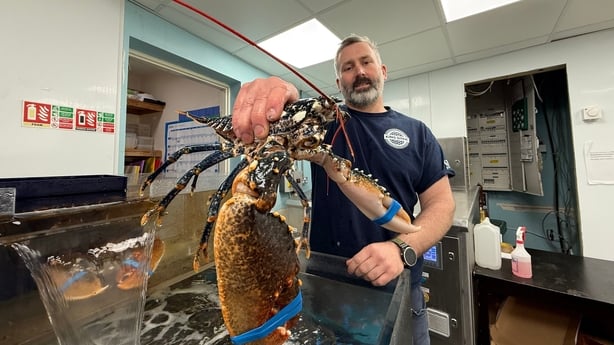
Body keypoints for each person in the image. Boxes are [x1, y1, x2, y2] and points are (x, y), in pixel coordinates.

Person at [231, 35, 456, 345]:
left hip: (399, 286)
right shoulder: (320, 125)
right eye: (348, 67)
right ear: (339, 81)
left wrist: (401, 249)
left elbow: (443, 205)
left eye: (366, 62)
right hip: (325, 288)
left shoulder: (418, 133)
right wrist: (279, 96)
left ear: (383, 70)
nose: (359, 72)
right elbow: (288, 111)